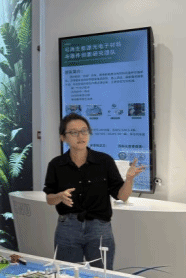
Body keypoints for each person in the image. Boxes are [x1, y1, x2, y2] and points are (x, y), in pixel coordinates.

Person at [43, 113, 146, 269]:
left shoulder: (104, 161)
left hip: (99, 228)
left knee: (101, 276)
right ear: (63, 137)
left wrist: (129, 179)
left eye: (84, 131)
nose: (80, 136)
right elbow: (50, 199)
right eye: (74, 132)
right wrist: (59, 196)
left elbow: (122, 196)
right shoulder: (56, 165)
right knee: (67, 275)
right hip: (68, 227)